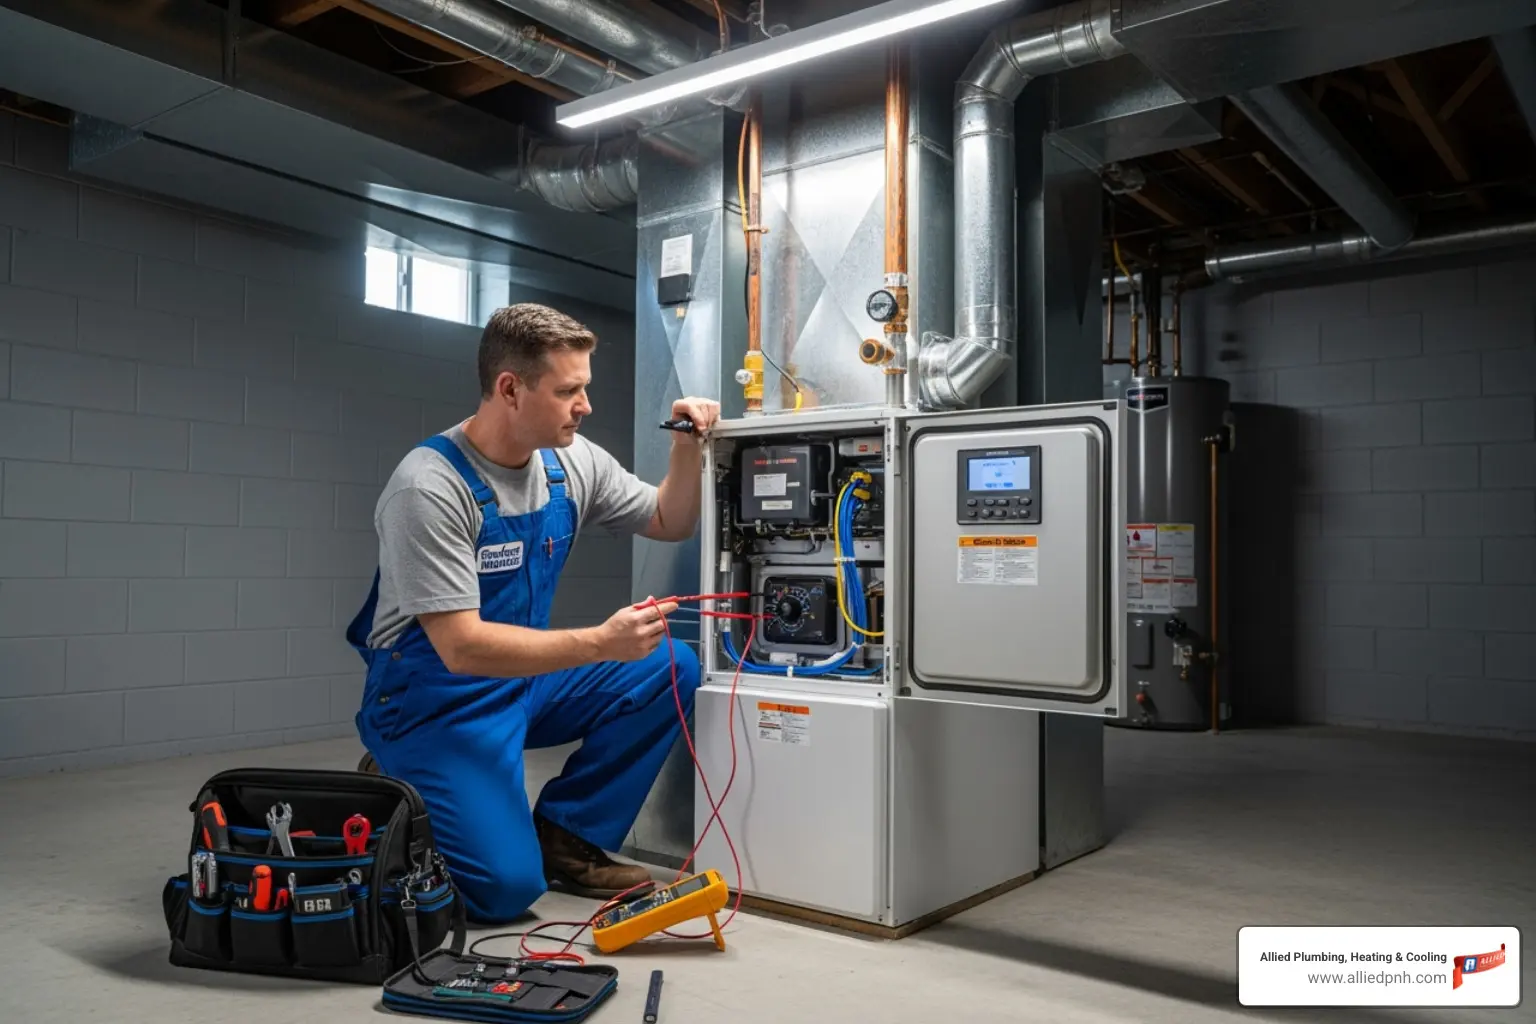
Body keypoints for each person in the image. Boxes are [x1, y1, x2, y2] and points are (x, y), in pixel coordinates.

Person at [345, 302, 719, 923]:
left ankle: (566, 835)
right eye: (568, 391)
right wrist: (599, 642)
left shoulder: (570, 462)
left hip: (521, 683)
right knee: (504, 890)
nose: (585, 405)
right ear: (510, 389)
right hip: (437, 701)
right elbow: (461, 647)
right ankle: (397, 770)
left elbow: (668, 519)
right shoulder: (429, 487)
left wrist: (687, 445)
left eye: (585, 387)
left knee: (668, 665)